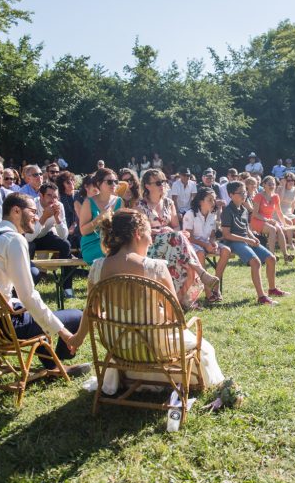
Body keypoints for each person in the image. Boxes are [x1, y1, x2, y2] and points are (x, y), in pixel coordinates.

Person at [69, 208, 224, 393]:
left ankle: (130, 376)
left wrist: (77, 339)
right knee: (205, 349)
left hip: (119, 349)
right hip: (155, 350)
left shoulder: (96, 268)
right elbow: (175, 318)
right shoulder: (155, 268)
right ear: (137, 234)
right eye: (149, 234)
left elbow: (90, 311)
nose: (151, 241)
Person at [0, 192, 89, 374]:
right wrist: (64, 333)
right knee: (76, 315)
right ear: (16, 211)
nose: (36, 216)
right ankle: (60, 363)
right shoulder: (14, 240)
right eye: (33, 211)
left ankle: (53, 366)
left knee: (35, 313)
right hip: (1, 327)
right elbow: (28, 296)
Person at [138, 168, 220, 309]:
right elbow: (142, 232)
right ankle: (201, 273)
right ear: (147, 186)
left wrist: (179, 232)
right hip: (151, 245)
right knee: (176, 237)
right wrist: (164, 231)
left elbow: (176, 226)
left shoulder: (169, 203)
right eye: (158, 182)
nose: (162, 185)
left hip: (173, 244)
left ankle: (182, 301)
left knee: (179, 238)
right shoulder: (140, 206)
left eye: (163, 181)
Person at [220, 181, 286, 304]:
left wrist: (252, 237)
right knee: (255, 262)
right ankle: (262, 297)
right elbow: (226, 234)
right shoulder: (227, 211)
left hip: (246, 239)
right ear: (230, 195)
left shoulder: (244, 209)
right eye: (240, 193)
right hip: (233, 242)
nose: (244, 195)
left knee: (271, 258)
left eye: (244, 192)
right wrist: (247, 239)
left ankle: (272, 289)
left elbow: (246, 229)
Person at [27, 182, 76, 298]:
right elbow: (29, 237)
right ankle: (28, 289)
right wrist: (44, 217)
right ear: (41, 195)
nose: (53, 200)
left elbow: (64, 236)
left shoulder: (59, 205)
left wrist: (58, 219)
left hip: (45, 236)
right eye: (49, 196)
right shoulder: (31, 205)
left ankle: (67, 288)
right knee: (29, 246)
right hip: (30, 238)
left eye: (55, 196)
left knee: (65, 245)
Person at [183, 188, 230, 303]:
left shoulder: (212, 214)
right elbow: (188, 237)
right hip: (192, 243)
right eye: (209, 199)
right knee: (200, 253)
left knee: (226, 250)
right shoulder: (190, 214)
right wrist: (205, 244)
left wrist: (213, 242)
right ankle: (209, 293)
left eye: (214, 199)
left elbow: (212, 235)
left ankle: (215, 286)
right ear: (200, 201)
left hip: (206, 243)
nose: (213, 202)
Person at [78, 168, 123, 265]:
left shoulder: (119, 201)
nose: (114, 185)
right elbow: (83, 231)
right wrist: (99, 218)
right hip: (93, 243)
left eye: (116, 181)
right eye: (110, 182)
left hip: (113, 242)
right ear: (98, 183)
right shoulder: (88, 202)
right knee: (114, 253)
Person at [252, 175, 292, 261]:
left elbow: (279, 212)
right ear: (264, 185)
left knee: (280, 229)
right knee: (273, 229)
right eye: (269, 184)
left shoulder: (275, 196)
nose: (272, 186)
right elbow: (255, 214)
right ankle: (271, 255)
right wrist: (267, 220)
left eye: (273, 184)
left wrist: (284, 223)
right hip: (257, 220)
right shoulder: (259, 196)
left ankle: (286, 255)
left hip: (269, 221)